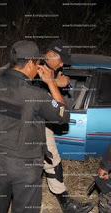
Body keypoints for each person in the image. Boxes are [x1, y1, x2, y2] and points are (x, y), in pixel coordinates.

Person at [0, 40, 70, 212]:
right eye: (38, 63)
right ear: (31, 63)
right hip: (26, 168)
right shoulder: (36, 95)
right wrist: (51, 83)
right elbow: (63, 116)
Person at [34, 40, 94, 212]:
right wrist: (55, 83)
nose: (62, 65)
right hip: (34, 124)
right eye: (60, 61)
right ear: (51, 54)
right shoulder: (37, 69)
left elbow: (64, 83)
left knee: (51, 161)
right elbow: (56, 104)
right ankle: (65, 203)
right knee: (52, 161)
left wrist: (61, 83)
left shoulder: (50, 68)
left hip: (42, 122)